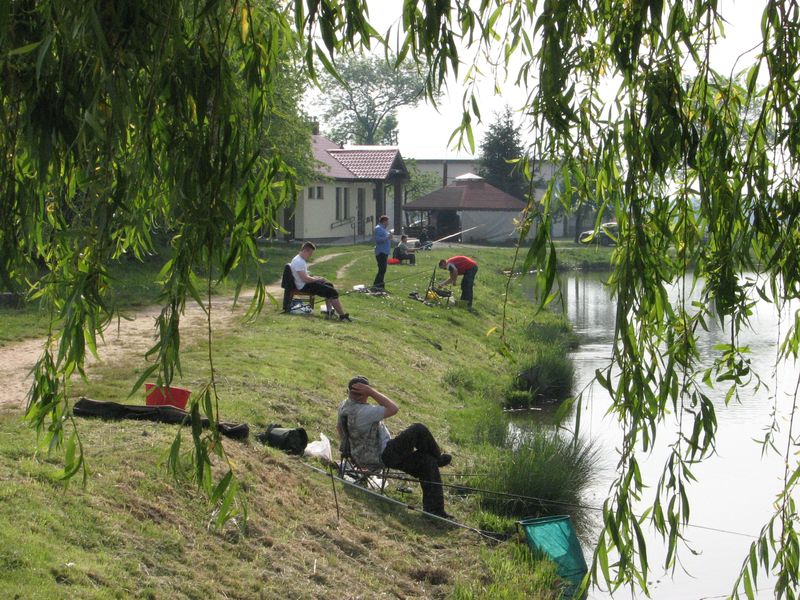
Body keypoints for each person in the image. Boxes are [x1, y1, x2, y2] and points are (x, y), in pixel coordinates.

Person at [337, 375, 453, 519]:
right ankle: (439, 459)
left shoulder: (344, 406)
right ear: (365, 395)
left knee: (427, 462)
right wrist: (372, 392)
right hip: (385, 455)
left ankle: (434, 512)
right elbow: (393, 408)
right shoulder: (364, 412)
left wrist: (353, 453)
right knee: (418, 429)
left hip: (366, 457)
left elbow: (339, 428)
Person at [290, 242, 352, 321]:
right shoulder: (299, 262)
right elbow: (305, 279)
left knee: (329, 285)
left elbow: (305, 276)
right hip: (304, 286)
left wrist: (317, 278)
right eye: (310, 253)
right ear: (305, 250)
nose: (310, 256)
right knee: (333, 292)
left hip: (305, 284)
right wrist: (317, 279)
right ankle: (342, 316)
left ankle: (329, 312)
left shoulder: (299, 259)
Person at [373, 215, 392, 290]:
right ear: (384, 221)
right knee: (382, 269)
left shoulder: (383, 229)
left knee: (383, 269)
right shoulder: (378, 228)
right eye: (387, 221)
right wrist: (387, 237)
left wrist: (388, 237)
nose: (388, 223)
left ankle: (380, 285)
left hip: (384, 252)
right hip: (381, 252)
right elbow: (378, 240)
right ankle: (377, 285)